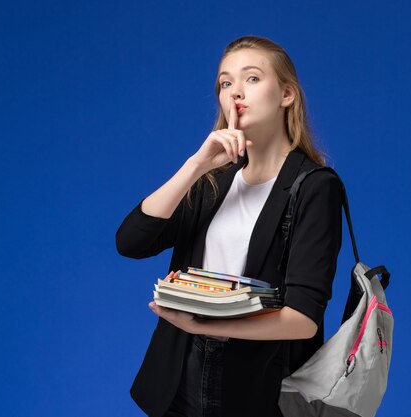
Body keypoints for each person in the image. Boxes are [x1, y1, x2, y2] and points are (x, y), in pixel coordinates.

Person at [115, 35, 343, 417]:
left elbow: (303, 320)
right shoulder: (213, 181)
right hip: (179, 376)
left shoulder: (316, 187)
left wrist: (204, 323)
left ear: (286, 94)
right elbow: (132, 241)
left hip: (256, 383)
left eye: (252, 78)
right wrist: (195, 166)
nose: (236, 91)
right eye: (225, 83)